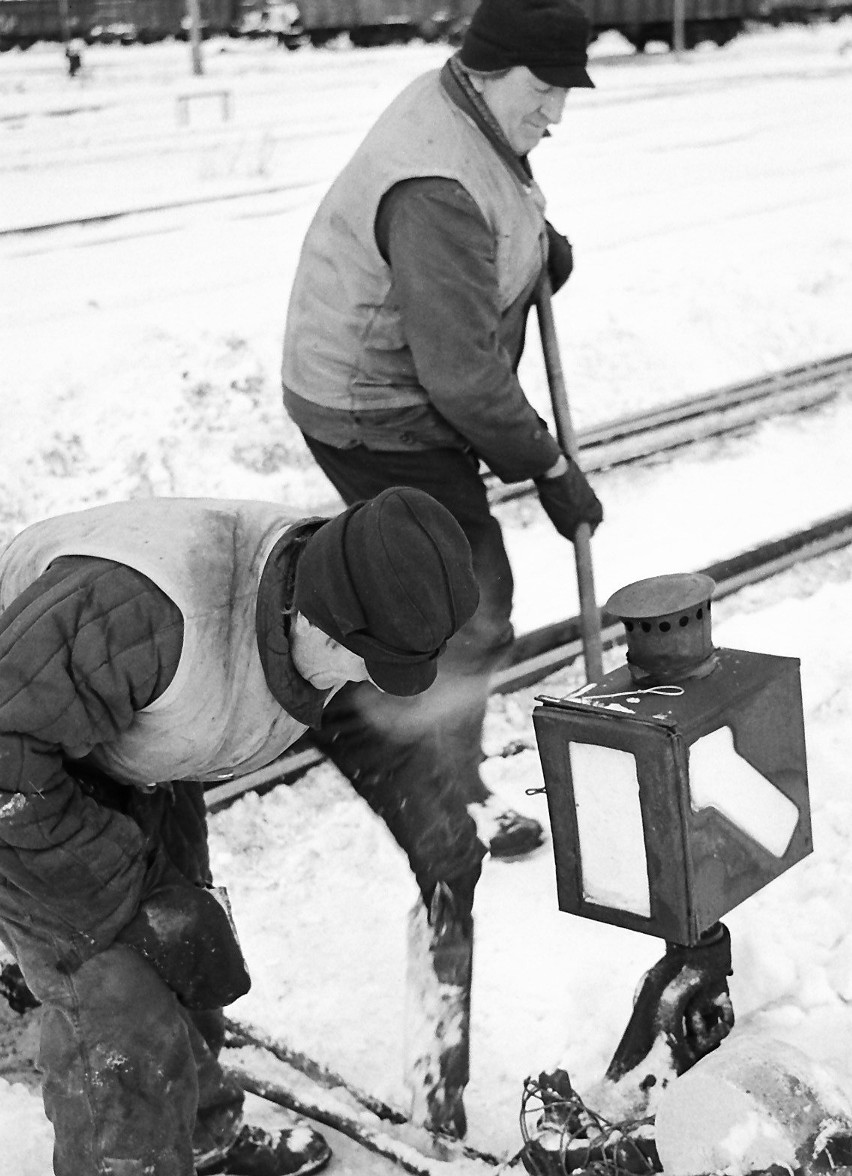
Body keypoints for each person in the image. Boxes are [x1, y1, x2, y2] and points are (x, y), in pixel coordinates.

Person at [0, 489, 481, 1176]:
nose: (363, 683)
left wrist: (439, 836)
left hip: (128, 745)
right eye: (364, 664)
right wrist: (123, 891)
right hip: (19, 771)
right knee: (118, 1013)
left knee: (185, 949)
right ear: (323, 626)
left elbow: (374, 730)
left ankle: (203, 1142)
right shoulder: (144, 610)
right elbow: (8, 751)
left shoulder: (338, 603)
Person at [281, 0, 604, 866]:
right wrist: (549, 466)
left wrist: (538, 249)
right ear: (492, 70)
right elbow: (463, 376)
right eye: (545, 89)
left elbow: (499, 215)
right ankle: (443, 793)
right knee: (467, 605)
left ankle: (436, 755)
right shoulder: (437, 189)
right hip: (373, 408)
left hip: (389, 388)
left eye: (569, 90)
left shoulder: (464, 108)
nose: (557, 113)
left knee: (457, 593)